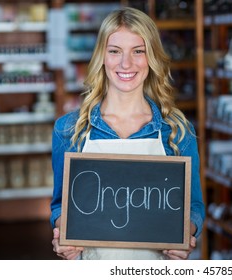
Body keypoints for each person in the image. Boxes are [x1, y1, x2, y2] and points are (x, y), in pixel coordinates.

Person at [50, 7, 205, 260]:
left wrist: (185, 235)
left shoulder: (177, 131)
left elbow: (194, 206)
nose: (126, 63)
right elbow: (59, 205)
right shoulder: (69, 130)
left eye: (138, 51)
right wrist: (62, 234)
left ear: (151, 57)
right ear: (102, 56)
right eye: (114, 51)